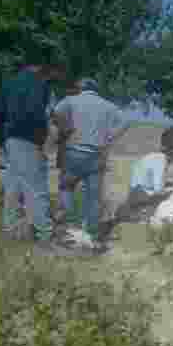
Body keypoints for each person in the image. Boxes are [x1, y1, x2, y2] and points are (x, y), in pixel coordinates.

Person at [0, 62, 60, 250]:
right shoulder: (41, 85)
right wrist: (43, 142)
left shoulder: (8, 84)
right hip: (29, 139)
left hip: (9, 140)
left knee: (13, 187)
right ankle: (45, 235)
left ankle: (10, 230)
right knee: (35, 188)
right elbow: (43, 115)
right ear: (39, 67)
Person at [50, 78, 128, 241]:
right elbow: (125, 122)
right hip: (96, 154)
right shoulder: (108, 105)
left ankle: (69, 227)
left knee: (67, 187)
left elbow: (55, 112)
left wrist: (65, 130)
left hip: (73, 152)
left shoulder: (71, 100)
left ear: (80, 88)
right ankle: (91, 232)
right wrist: (109, 137)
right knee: (93, 196)